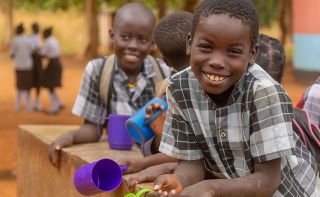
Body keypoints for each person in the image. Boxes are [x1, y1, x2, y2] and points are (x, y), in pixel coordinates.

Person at [146, 0, 319, 196]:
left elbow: (268, 179)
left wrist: (210, 188)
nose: (217, 62)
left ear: (252, 54)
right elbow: (191, 162)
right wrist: (180, 180)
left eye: (233, 52)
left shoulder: (264, 92)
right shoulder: (179, 88)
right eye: (206, 47)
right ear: (189, 43)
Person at [48, 2, 171, 168]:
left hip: (151, 160)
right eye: (125, 37)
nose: (133, 46)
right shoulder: (98, 70)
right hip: (114, 161)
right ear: (112, 36)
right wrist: (71, 136)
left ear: (152, 43)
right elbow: (92, 128)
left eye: (142, 39)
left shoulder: (165, 73)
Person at [117, 11, 193, 185]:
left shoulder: (169, 91)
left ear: (164, 60)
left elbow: (184, 153)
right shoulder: (171, 89)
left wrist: (145, 160)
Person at [10, 23, 34, 112]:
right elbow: (32, 51)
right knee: (27, 85)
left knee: (19, 85)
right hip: (28, 65)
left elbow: (12, 54)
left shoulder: (15, 40)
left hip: (19, 65)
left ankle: (18, 104)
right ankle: (28, 106)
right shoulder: (28, 40)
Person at [40, 27, 64, 115]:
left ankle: (54, 108)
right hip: (58, 63)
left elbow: (43, 54)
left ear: (46, 34)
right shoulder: (54, 40)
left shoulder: (47, 42)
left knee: (50, 85)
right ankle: (60, 103)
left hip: (52, 64)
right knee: (52, 85)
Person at [29, 22, 44, 111]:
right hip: (34, 62)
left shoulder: (37, 37)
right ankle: (31, 103)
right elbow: (34, 51)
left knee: (38, 82)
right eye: (37, 27)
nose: (38, 29)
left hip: (37, 61)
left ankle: (37, 103)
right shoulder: (31, 38)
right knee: (33, 81)